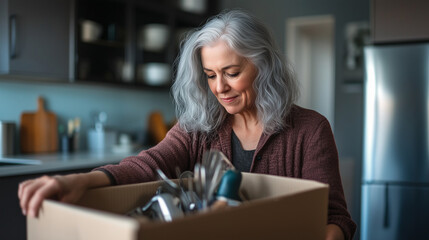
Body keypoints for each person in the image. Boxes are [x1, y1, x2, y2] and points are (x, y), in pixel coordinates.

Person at [18, 9, 356, 240]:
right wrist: (82, 180)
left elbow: (336, 219)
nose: (219, 87)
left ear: (263, 66)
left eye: (232, 73)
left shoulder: (310, 130)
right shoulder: (200, 126)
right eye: (210, 75)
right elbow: (149, 164)